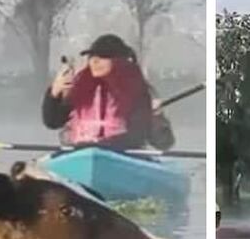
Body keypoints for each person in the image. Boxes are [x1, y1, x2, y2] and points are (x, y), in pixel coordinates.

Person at [42, 34, 175, 151]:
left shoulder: (137, 92)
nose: (94, 61)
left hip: (121, 157)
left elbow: (141, 137)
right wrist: (54, 93)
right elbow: (52, 122)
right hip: (80, 153)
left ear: (119, 61)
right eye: (92, 56)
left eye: (102, 56)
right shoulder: (80, 90)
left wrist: (155, 118)